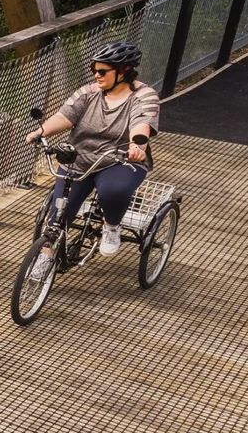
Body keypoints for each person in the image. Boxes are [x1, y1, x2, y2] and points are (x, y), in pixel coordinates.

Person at [24, 40, 160, 273]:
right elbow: (65, 116)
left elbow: (141, 124)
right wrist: (40, 131)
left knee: (112, 191)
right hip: (81, 157)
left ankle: (112, 225)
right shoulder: (88, 92)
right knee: (60, 210)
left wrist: (137, 145)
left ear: (124, 71)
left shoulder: (143, 95)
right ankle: (45, 255)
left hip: (121, 159)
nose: (96, 75)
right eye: (94, 70)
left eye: (102, 71)